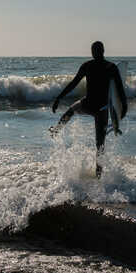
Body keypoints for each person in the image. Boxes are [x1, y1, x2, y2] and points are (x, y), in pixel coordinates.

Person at [50, 41, 127, 178]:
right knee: (100, 146)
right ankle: (98, 176)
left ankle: (57, 129)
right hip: (101, 108)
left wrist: (58, 98)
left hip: (88, 104)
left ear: (94, 52)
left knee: (71, 110)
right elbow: (120, 90)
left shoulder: (88, 65)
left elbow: (73, 84)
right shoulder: (111, 67)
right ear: (103, 51)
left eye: (95, 50)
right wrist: (123, 106)